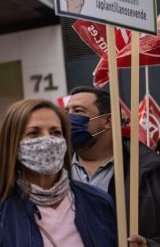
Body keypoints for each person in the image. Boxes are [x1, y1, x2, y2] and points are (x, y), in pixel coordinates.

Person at [0, 99, 116, 246]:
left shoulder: (98, 201)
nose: (48, 139)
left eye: (55, 132)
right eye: (34, 133)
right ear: (12, 143)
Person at [66, 86, 160, 246]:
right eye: (66, 111)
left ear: (108, 121)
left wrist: (148, 245)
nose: (68, 118)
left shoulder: (150, 171)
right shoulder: (53, 173)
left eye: (78, 111)